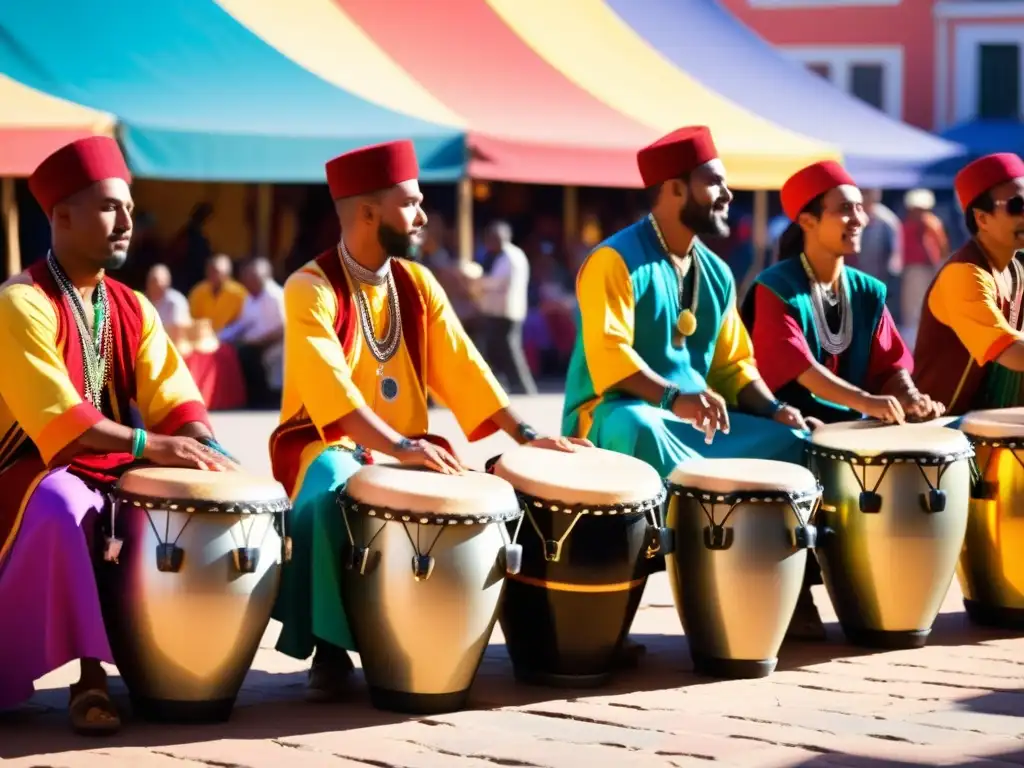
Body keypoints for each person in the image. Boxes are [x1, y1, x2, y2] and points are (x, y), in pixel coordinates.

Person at [268, 139, 589, 701]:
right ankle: (330, 648)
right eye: (411, 203)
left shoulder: (417, 286)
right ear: (368, 212)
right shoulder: (309, 288)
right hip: (328, 442)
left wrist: (528, 435)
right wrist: (397, 447)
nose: (423, 216)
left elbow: (466, 368)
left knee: (481, 494)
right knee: (322, 490)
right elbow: (332, 400)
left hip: (409, 441)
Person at [0, 137, 237, 734]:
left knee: (193, 496)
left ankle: (178, 661)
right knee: (66, 503)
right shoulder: (20, 302)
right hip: (29, 473)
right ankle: (90, 678)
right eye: (110, 207)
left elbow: (175, 397)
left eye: (130, 208)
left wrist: (205, 449)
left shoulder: (132, 306)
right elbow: (58, 423)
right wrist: (155, 446)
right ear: (61, 216)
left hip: (109, 462)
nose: (128, 222)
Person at [561, 126, 809, 481]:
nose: (727, 195)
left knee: (793, 439)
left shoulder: (718, 273)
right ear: (675, 188)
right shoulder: (614, 259)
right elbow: (610, 357)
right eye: (714, 183)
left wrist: (775, 409)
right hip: (621, 413)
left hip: (693, 422)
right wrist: (674, 399)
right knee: (637, 427)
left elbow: (732, 366)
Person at [744, 161, 944, 426]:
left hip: (847, 428)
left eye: (860, 208)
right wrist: (864, 401)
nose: (859, 219)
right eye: (845, 209)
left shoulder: (868, 291)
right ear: (807, 221)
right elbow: (799, 367)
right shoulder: (776, 287)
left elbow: (889, 366)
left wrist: (910, 396)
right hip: (784, 426)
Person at [914, 153, 1024, 415]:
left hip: (989, 427)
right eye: (1016, 206)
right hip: (941, 433)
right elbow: (1012, 353)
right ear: (982, 219)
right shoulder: (964, 274)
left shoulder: (1017, 269)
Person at [219, 257, 285, 409]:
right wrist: (223, 336)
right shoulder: (249, 297)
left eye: (251, 278)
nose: (247, 282)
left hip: (274, 345)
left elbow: (283, 329)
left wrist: (261, 343)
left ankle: (261, 400)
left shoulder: (275, 296)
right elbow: (243, 324)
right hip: (253, 344)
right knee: (232, 352)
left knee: (247, 355)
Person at [187, 253, 248, 332]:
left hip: (231, 338)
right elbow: (192, 319)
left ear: (227, 274)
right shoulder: (198, 291)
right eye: (210, 271)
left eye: (216, 271)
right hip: (203, 337)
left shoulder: (240, 293)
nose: (212, 275)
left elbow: (243, 321)